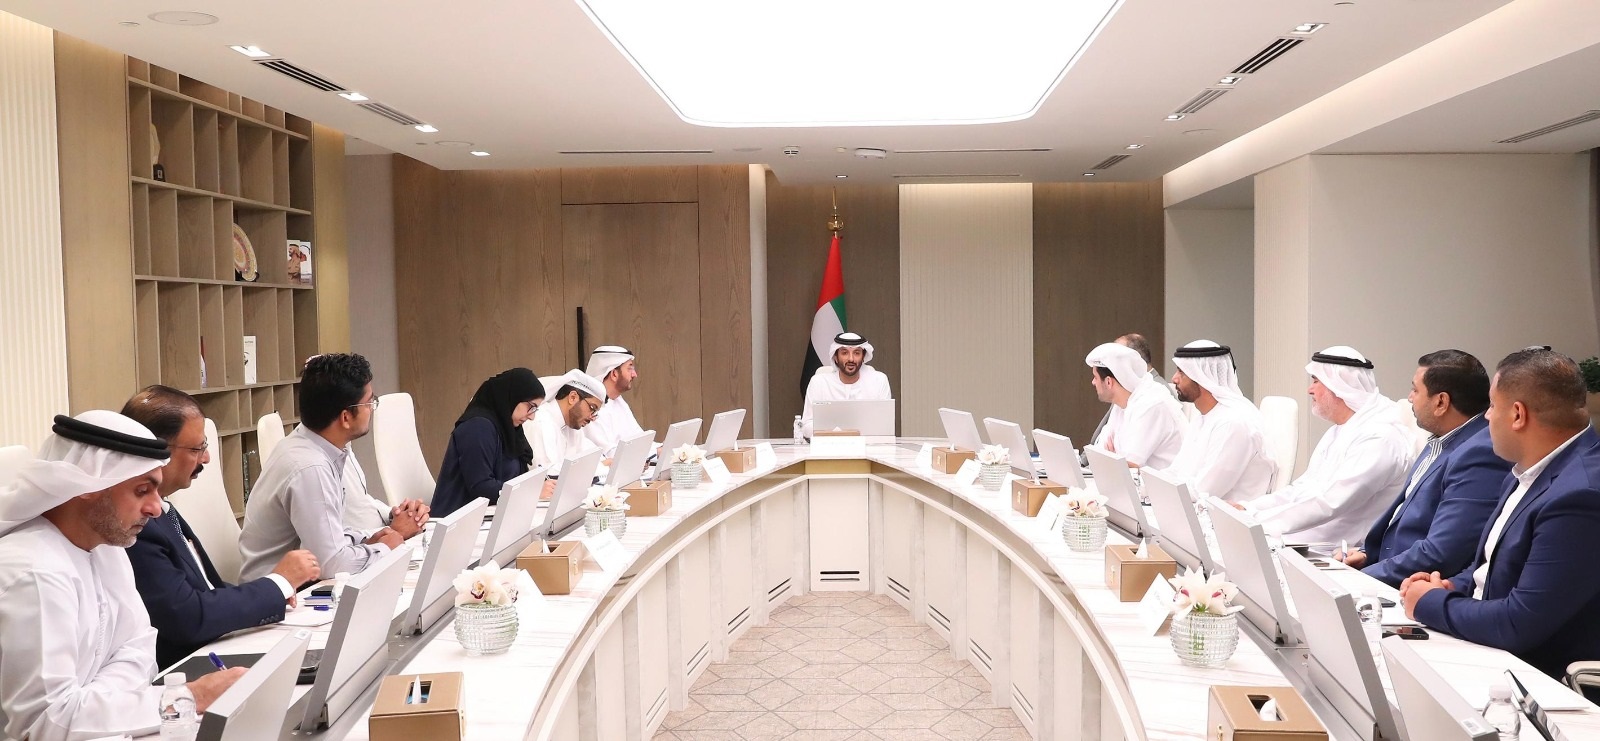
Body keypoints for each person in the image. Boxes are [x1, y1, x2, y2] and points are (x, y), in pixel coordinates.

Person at [0, 411, 245, 739]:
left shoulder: (106, 545)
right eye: (142, 490)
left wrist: (92, 702)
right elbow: (46, 721)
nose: (156, 509)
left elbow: (139, 645)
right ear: (86, 484)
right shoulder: (35, 572)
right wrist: (188, 698)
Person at [1403, 348, 1600, 680]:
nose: (1486, 417)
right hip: (1487, 644)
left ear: (1518, 414)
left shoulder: (1581, 495)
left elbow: (1519, 623)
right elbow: (1493, 569)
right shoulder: (1526, 470)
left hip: (1532, 676)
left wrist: (1430, 603)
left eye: (1493, 406)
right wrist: (1449, 585)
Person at [121, 386, 322, 668]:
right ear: (158, 450)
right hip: (185, 668)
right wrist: (276, 583)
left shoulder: (163, 509)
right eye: (197, 449)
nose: (206, 458)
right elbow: (187, 617)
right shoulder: (136, 525)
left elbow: (207, 589)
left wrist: (272, 594)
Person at [239, 354, 429, 580]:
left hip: (299, 580)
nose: (372, 408)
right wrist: (389, 544)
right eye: (369, 402)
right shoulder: (311, 468)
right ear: (346, 417)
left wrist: (379, 537)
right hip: (281, 592)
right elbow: (332, 564)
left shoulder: (311, 445)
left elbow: (333, 537)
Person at [1338, 351, 1510, 587]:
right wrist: (1367, 555)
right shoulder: (1441, 439)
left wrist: (1359, 578)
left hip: (1418, 586)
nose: (1409, 398)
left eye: (1415, 390)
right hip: (1391, 570)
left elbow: (1442, 552)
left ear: (1441, 402)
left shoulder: (1479, 453)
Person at [1239, 346, 1413, 545]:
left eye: (1316, 381)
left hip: (1335, 552)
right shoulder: (1340, 430)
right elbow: (1303, 488)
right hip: (1303, 540)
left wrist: (1256, 522)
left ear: (1339, 386)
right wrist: (1250, 509)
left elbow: (1330, 503)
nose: (1310, 390)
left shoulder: (1381, 438)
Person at [1154, 341, 1276, 502]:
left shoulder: (1234, 422)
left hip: (1226, 515)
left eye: (1181, 372)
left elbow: (1204, 491)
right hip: (1194, 507)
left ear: (1201, 376)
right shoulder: (1203, 417)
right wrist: (1146, 486)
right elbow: (1177, 472)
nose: (1174, 379)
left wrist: (1155, 491)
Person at [430, 368, 545, 517]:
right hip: (458, 521)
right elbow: (481, 487)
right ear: (513, 396)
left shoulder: (509, 429)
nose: (532, 417)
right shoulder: (477, 427)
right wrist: (530, 492)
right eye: (531, 407)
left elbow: (516, 477)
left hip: (492, 516)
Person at [1084, 341, 1186, 468]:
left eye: (1095, 377)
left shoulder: (1151, 404)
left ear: (1109, 382)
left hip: (1164, 480)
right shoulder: (1122, 403)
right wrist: (1114, 460)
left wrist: (1115, 460)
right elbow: (1101, 454)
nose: (1093, 382)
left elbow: (1129, 466)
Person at [801, 332, 893, 439]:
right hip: (829, 446)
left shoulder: (879, 381)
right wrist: (836, 434)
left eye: (857, 353)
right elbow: (806, 426)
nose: (851, 359)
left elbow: (885, 425)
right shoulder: (819, 382)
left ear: (863, 357)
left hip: (869, 446)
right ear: (835, 357)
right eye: (844, 353)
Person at [529, 369, 607, 493]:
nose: (592, 417)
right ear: (572, 397)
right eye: (592, 408)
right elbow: (549, 474)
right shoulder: (541, 421)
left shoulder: (572, 425)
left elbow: (590, 457)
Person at [1090, 333, 1172, 445]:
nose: (1093, 382)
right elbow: (1103, 443)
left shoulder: (1155, 396)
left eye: (1117, 357)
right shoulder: (1124, 394)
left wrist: (1114, 452)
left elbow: (1130, 454)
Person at [584, 347, 643, 458]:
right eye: (629, 368)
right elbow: (609, 453)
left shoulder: (619, 401)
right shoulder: (589, 408)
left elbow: (640, 438)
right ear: (614, 374)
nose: (634, 374)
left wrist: (660, 449)